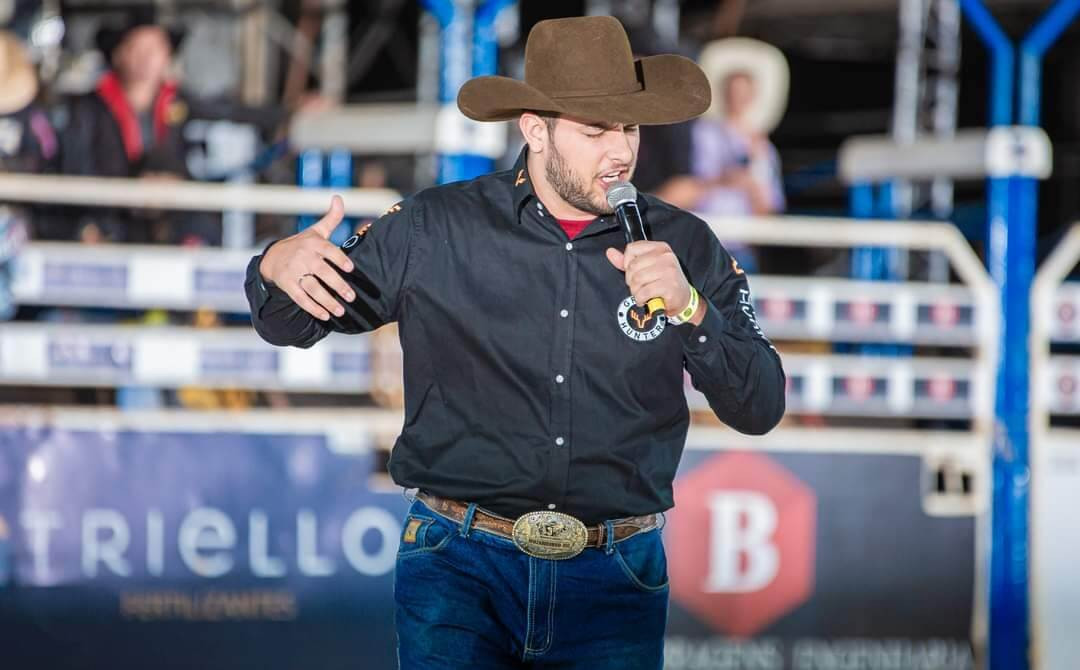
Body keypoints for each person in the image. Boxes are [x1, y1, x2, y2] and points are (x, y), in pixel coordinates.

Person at [245, 16, 784, 669]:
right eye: (595, 130)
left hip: (615, 573)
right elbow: (291, 324)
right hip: (459, 566)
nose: (620, 151)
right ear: (535, 128)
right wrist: (275, 263)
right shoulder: (437, 225)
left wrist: (691, 307)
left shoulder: (687, 243)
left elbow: (759, 406)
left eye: (630, 128)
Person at [57, 11, 312, 245]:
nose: (147, 59)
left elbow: (232, 112)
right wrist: (90, 221)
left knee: (201, 233)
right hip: (109, 216)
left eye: (155, 49)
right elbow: (75, 165)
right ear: (119, 54)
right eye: (137, 48)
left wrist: (291, 113)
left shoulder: (178, 102)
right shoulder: (88, 108)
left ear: (167, 56)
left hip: (172, 216)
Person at [664, 38, 789, 274]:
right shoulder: (701, 133)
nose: (738, 98)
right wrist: (724, 180)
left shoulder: (764, 149)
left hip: (740, 252)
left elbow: (769, 213)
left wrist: (752, 184)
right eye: (733, 90)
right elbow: (681, 189)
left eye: (744, 92)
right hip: (699, 242)